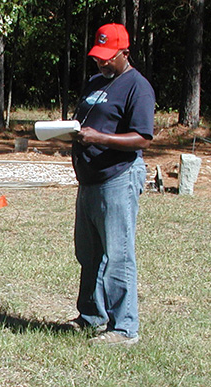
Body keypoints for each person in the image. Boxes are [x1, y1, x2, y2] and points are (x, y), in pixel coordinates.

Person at [66, 23, 155, 345]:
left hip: (117, 178)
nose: (102, 63)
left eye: (108, 57)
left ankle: (123, 328)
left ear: (125, 53)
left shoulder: (137, 86)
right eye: (97, 57)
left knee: (118, 255)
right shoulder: (95, 82)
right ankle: (90, 316)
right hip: (89, 180)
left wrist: (99, 138)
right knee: (88, 254)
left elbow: (143, 138)